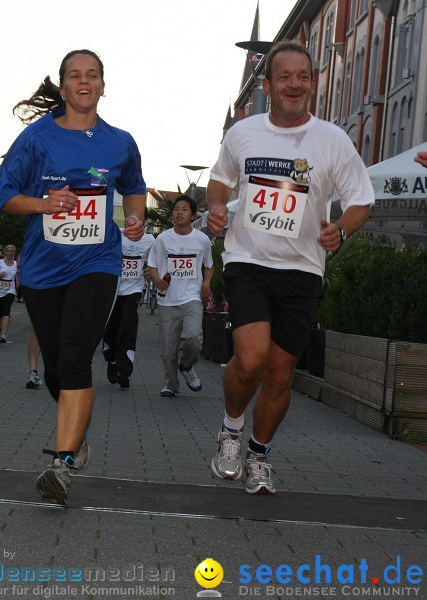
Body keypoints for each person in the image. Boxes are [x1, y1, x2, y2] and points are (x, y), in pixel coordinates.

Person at [206, 41, 373, 495]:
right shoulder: (244, 133)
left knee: (280, 373)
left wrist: (341, 228)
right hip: (248, 261)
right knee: (253, 356)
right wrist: (218, 207)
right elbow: (219, 178)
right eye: (285, 77)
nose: (294, 85)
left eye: (303, 77)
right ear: (267, 85)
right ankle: (231, 429)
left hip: (302, 269)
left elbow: (361, 199)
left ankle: (259, 454)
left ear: (313, 84)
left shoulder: (332, 140)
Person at [0, 49, 147, 504]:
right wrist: (44, 204)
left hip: (97, 262)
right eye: (75, 76)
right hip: (44, 268)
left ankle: (61, 466)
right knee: (58, 371)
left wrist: (135, 219)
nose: (85, 82)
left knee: (78, 357)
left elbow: (135, 187)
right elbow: (4, 194)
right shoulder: (36, 139)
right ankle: (77, 437)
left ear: (103, 85)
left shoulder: (120, 142)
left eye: (93, 75)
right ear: (63, 88)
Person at [148, 196, 213, 397]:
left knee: (193, 337)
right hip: (167, 299)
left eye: (184, 209)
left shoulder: (202, 239)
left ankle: (186, 365)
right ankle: (171, 385)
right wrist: (157, 279)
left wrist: (206, 284)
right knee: (168, 351)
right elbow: (152, 265)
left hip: (192, 297)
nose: (179, 213)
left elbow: (209, 265)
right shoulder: (163, 239)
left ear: (193, 215)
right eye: (176, 209)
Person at [103, 213, 155, 390]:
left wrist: (150, 271)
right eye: (129, 218)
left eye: (138, 219)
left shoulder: (150, 241)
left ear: (145, 222)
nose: (132, 222)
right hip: (112, 290)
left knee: (128, 327)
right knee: (111, 329)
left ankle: (124, 371)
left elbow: (154, 263)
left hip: (133, 290)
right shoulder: (115, 234)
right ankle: (111, 359)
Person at [0, 244, 18, 344]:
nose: (9, 253)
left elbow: (17, 274)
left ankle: (3, 335)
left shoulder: (16, 264)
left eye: (11, 251)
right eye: (7, 251)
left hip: (10, 289)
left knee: (6, 310)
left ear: (14, 253)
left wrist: (18, 281)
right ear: (4, 252)